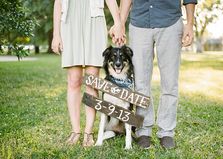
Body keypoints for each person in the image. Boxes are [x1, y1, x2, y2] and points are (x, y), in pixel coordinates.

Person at [110, 0, 197, 149]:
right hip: (139, 23)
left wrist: (189, 23)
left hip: (170, 21)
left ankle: (167, 132)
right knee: (140, 82)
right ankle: (144, 130)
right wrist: (121, 23)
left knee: (170, 82)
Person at [51, 0, 123, 147]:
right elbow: (58, 3)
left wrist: (118, 23)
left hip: (94, 20)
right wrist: (56, 34)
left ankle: (88, 132)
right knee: (74, 81)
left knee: (92, 82)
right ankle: (75, 130)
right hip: (69, 21)